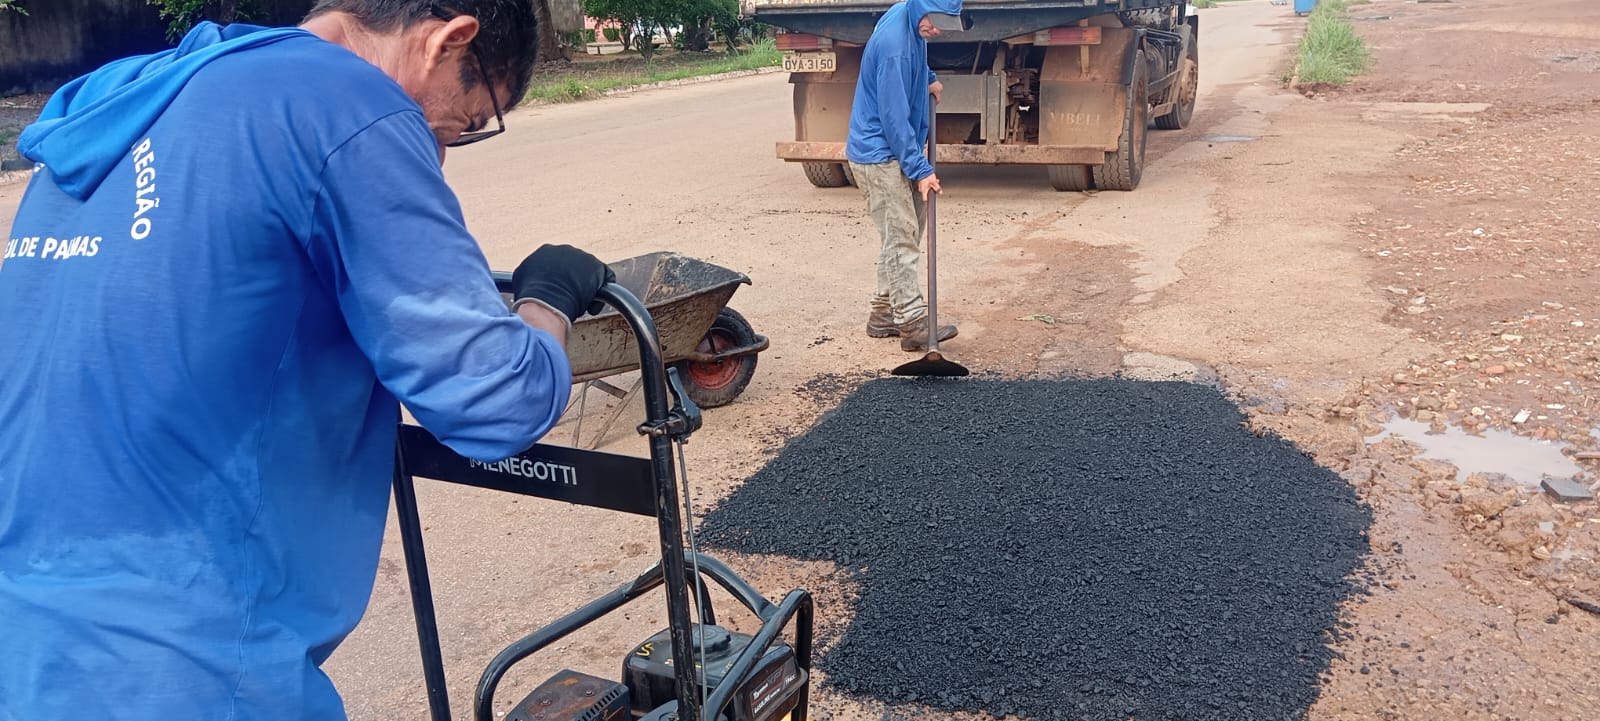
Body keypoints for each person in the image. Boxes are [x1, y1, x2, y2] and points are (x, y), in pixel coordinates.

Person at [0, 2, 614, 719]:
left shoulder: (136, 95)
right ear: (451, 41)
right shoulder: (348, 108)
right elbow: (495, 396)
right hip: (182, 667)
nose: (445, 146)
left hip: (27, 640)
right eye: (470, 119)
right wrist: (547, 301)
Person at [846, 0, 964, 352]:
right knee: (901, 236)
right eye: (936, 21)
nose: (938, 30)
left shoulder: (908, 14)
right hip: (879, 155)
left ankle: (883, 313)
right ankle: (913, 323)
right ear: (921, 8)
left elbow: (917, 58)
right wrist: (921, 169)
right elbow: (894, 120)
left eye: (946, 23)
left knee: (904, 233)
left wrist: (927, 78)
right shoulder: (894, 48)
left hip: (895, 148)